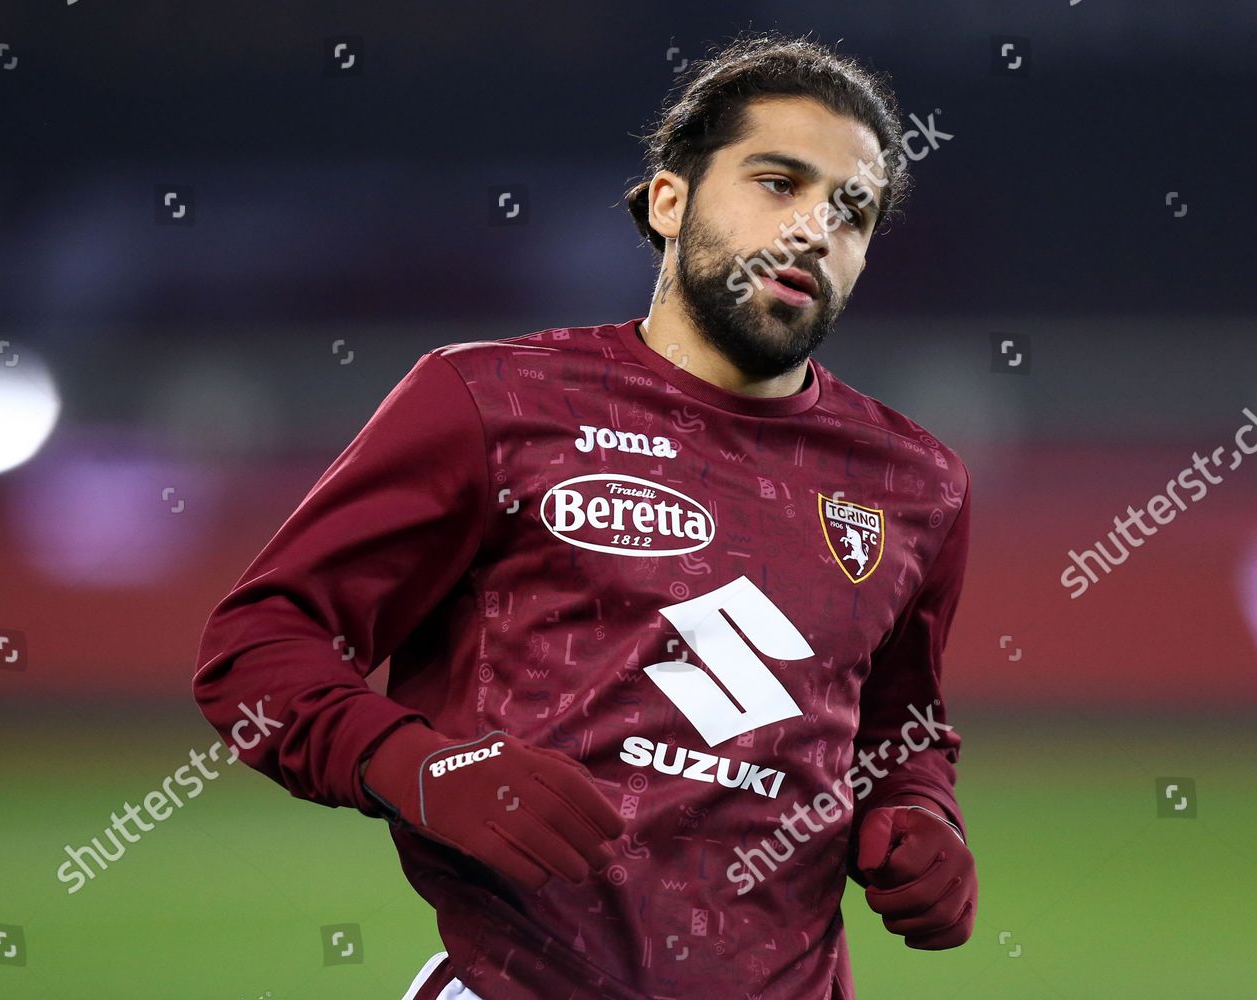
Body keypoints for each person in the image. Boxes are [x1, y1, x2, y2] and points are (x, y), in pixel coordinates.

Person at [194, 31, 976, 1000]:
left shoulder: (917, 483)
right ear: (670, 199)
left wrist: (921, 812)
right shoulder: (488, 402)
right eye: (779, 181)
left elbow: (900, 721)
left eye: (850, 210)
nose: (815, 227)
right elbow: (259, 644)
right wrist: (419, 767)